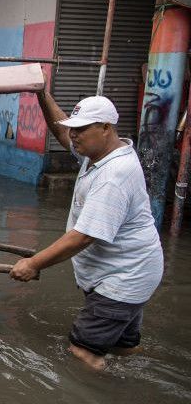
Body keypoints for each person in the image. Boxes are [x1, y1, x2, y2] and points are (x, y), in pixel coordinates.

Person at [10, 86, 163, 371]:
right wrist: (43, 94)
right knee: (122, 347)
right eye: (73, 128)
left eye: (81, 129)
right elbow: (60, 131)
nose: (73, 135)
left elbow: (82, 237)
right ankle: (133, 383)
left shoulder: (113, 175)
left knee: (82, 352)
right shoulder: (97, 155)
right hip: (134, 271)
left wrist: (33, 263)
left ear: (106, 128)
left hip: (122, 278)